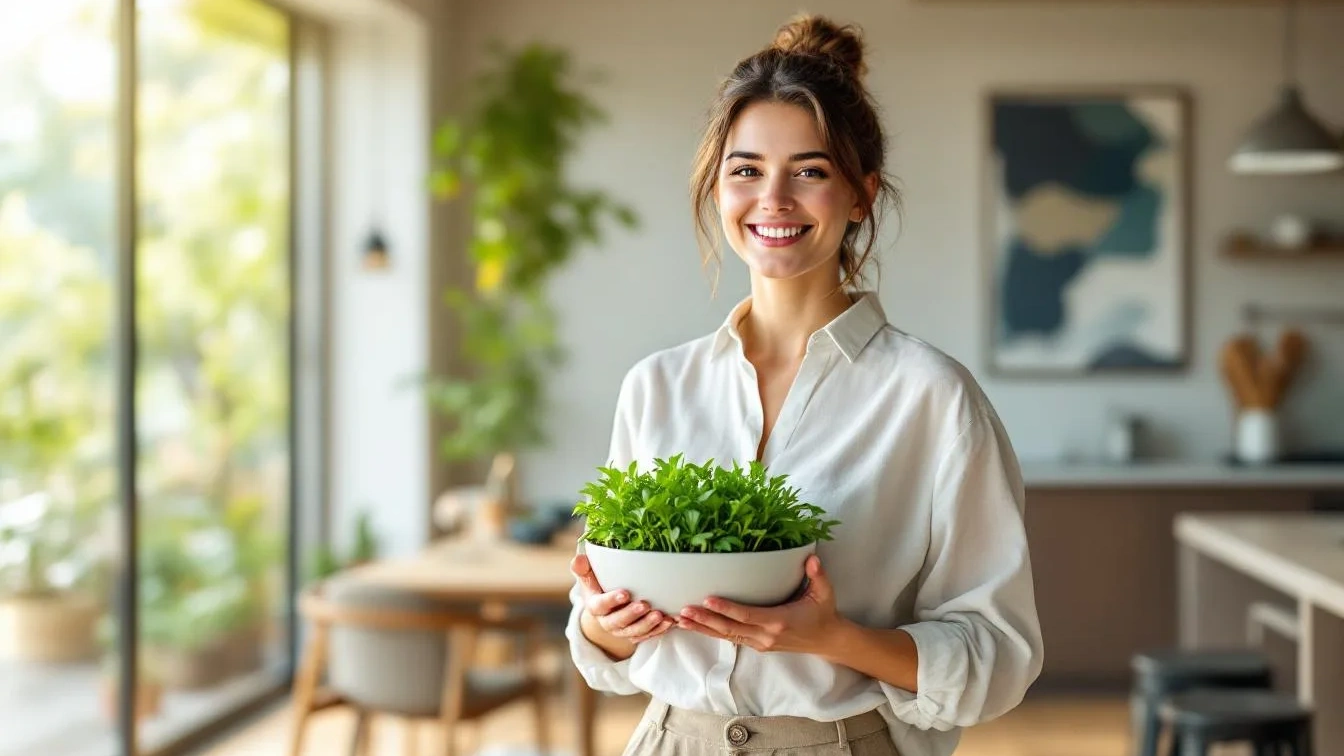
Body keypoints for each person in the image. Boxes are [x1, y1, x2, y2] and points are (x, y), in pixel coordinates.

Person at [565, 13, 1043, 756]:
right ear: (717, 189)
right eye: (746, 170)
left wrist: (837, 638)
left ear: (861, 195)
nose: (773, 200)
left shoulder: (931, 398)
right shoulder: (656, 386)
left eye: (810, 171)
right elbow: (600, 637)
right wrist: (604, 626)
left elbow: (999, 654)